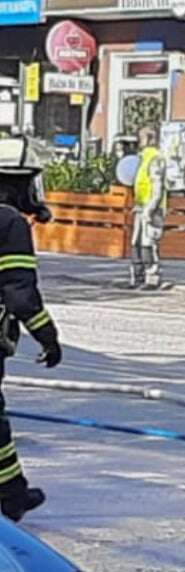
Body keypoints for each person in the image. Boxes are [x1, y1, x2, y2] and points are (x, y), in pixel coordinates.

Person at [0, 137, 63, 522]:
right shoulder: (7, 223)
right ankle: (9, 496)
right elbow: (21, 295)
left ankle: (12, 490)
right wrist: (48, 337)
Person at [129, 127, 167, 290]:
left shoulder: (154, 159)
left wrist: (149, 210)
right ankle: (138, 278)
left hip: (151, 209)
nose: (139, 141)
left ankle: (151, 279)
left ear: (149, 139)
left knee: (148, 243)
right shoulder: (143, 158)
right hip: (141, 206)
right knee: (136, 243)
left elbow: (157, 189)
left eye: (141, 137)